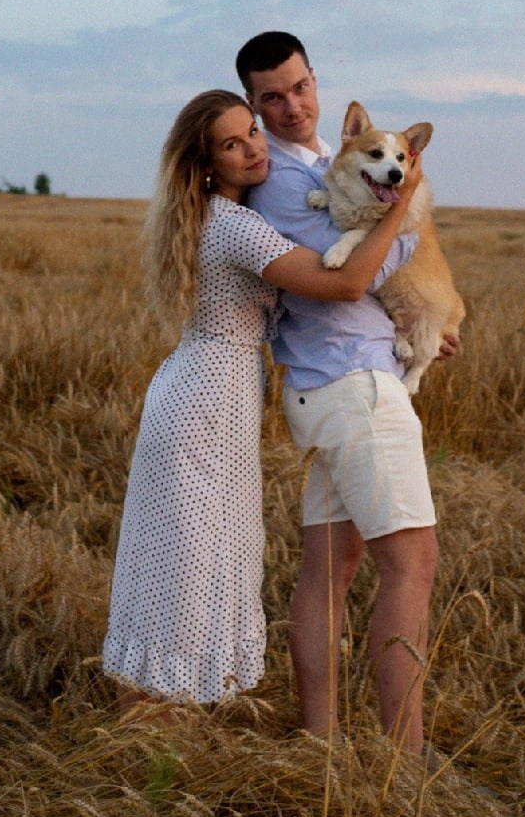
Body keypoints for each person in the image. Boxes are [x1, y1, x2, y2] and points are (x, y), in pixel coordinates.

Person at [102, 88, 424, 711]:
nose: (254, 148)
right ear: (206, 164)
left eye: (252, 132)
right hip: (207, 401)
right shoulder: (238, 229)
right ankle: (156, 714)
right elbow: (348, 280)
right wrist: (401, 202)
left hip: (196, 389)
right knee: (192, 560)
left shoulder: (216, 219)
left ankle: (157, 706)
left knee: (182, 553)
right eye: (232, 143)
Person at [236, 32, 457, 754]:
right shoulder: (278, 184)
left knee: (331, 568)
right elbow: (350, 274)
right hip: (352, 386)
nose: (291, 105)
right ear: (253, 103)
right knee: (412, 564)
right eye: (272, 96)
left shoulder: (322, 158)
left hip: (332, 382)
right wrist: (406, 199)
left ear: (314, 81)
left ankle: (320, 740)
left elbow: (382, 279)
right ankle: (408, 759)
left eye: (299, 87)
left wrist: (424, 316)